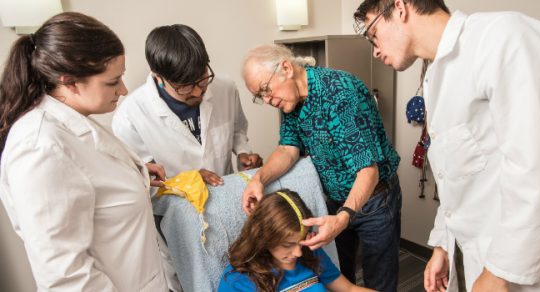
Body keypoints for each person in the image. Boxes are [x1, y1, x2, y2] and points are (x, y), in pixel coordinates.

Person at [353, 1, 540, 291]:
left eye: (373, 33)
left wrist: (498, 272)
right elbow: (457, 177)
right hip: (483, 260)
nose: (375, 50)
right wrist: (443, 246)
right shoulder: (434, 75)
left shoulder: (502, 36)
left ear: (399, 7)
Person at [0, 12, 168, 291]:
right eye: (113, 82)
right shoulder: (39, 147)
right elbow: (65, 277)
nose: (123, 89)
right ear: (70, 81)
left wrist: (133, 174)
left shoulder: (71, 121)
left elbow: (90, 185)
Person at [241, 44, 401, 292]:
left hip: (374, 200)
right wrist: (259, 179)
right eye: (259, 96)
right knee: (341, 276)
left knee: (379, 281)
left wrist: (343, 217)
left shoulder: (340, 93)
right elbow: (287, 149)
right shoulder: (291, 102)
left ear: (286, 68)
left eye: (265, 90)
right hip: (335, 202)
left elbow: (368, 171)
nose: (267, 100)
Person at [112, 24, 262, 186]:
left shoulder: (226, 89)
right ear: (159, 78)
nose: (198, 93)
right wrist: (186, 182)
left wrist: (243, 153)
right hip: (173, 209)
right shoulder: (129, 117)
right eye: (186, 86)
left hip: (225, 197)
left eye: (202, 80)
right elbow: (141, 180)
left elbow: (236, 130)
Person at [219, 189, 374, 292]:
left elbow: (349, 289)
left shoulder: (311, 251)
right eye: (288, 244)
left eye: (301, 241)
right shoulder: (237, 279)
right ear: (263, 237)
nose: (298, 252)